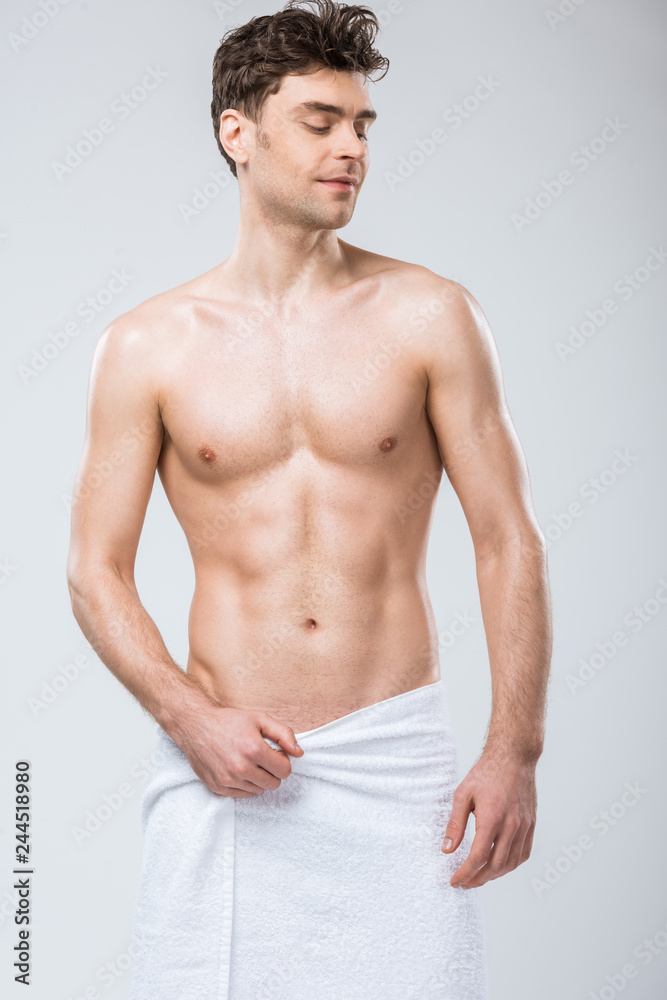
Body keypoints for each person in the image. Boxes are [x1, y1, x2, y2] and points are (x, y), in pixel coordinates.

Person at [66, 1, 552, 997]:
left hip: (394, 763)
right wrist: (187, 716)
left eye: (362, 124)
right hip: (225, 770)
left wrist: (515, 750)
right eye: (320, 120)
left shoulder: (430, 316)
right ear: (235, 133)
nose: (351, 148)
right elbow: (94, 568)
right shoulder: (146, 345)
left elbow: (507, 540)